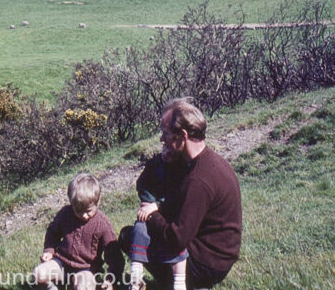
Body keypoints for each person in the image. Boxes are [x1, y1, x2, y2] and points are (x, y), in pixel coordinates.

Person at [137, 98, 242, 289]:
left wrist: (152, 215)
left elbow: (177, 238)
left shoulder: (198, 180)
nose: (162, 139)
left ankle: (185, 283)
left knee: (132, 238)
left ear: (182, 136)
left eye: (166, 133)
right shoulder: (205, 162)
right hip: (217, 254)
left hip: (207, 263)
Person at [33, 173, 124, 290]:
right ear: (71, 204)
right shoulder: (65, 214)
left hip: (85, 269)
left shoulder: (102, 223)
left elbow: (115, 257)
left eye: (88, 211)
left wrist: (110, 280)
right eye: (78, 211)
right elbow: (52, 232)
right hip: (61, 262)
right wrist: (49, 250)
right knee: (39, 274)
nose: (84, 215)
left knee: (83, 286)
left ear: (97, 201)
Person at [126, 146, 191, 290]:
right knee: (139, 229)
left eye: (171, 153)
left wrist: (158, 206)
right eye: (165, 148)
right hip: (148, 211)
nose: (166, 153)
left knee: (173, 240)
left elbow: (178, 196)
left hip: (170, 215)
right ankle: (136, 277)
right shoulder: (154, 163)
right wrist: (148, 202)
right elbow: (142, 184)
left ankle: (179, 283)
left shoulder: (181, 169)